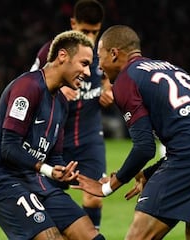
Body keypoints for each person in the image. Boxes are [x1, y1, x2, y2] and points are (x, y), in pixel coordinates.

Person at [72, 25, 190, 240]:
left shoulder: (126, 79)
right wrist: (149, 174)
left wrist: (109, 187)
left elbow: (144, 148)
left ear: (114, 54)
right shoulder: (171, 67)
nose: (99, 66)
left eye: (100, 56)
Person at [0, 30, 105, 240]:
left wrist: (64, 173)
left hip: (36, 181)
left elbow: (53, 156)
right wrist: (47, 169)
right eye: (84, 63)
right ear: (63, 56)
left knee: (93, 237)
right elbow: (8, 147)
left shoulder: (62, 103)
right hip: (4, 181)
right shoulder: (28, 87)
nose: (88, 73)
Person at [30, 0, 114, 230]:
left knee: (94, 196)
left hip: (89, 138)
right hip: (55, 140)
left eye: (95, 32)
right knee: (48, 199)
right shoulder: (53, 51)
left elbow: (111, 78)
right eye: (84, 31)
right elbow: (30, 87)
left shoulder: (103, 52)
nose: (90, 36)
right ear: (72, 23)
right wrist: (55, 89)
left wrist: (108, 90)